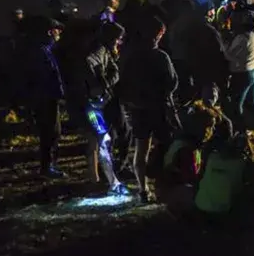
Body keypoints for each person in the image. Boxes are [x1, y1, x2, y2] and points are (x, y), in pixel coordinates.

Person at [119, 15, 180, 203]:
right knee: (166, 148)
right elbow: (172, 82)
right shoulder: (161, 57)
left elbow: (123, 83)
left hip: (138, 109)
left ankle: (143, 189)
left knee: (141, 149)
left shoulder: (129, 56)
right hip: (159, 108)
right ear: (159, 34)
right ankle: (164, 186)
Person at [75, 22, 128, 194]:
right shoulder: (96, 53)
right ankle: (108, 181)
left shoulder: (104, 51)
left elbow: (112, 73)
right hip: (94, 105)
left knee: (102, 140)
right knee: (102, 140)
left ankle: (101, 178)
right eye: (118, 39)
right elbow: (98, 78)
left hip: (97, 103)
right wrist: (104, 82)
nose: (119, 42)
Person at [20, 16, 67, 177]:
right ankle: (47, 167)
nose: (59, 33)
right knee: (50, 132)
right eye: (57, 30)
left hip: (46, 97)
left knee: (53, 131)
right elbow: (48, 76)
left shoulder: (45, 49)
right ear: (49, 32)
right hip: (45, 98)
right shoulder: (41, 51)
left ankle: (50, 165)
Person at [225, 9, 254, 138]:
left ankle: (242, 131)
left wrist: (225, 43)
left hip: (243, 72)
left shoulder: (242, 37)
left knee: (237, 104)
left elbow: (229, 54)